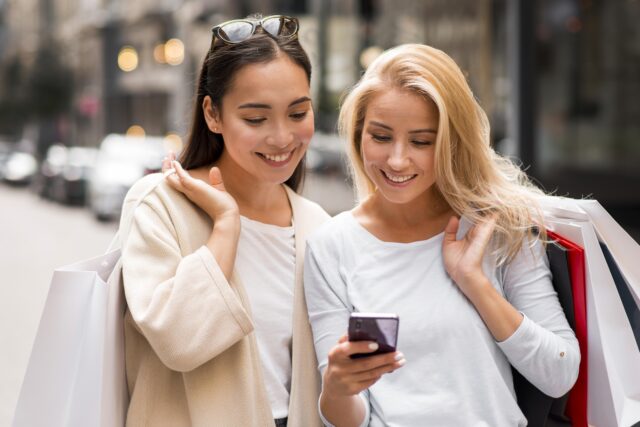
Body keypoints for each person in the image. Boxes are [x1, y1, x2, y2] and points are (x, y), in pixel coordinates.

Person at [304, 44, 580, 427]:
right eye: (381, 137)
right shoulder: (331, 246)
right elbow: (349, 419)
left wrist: (475, 283)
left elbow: (559, 372)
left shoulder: (499, 228)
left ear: (453, 141)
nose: (398, 160)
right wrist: (336, 389)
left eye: (421, 141)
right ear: (357, 134)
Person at [119, 15, 327, 427]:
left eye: (298, 113)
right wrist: (226, 225)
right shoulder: (160, 205)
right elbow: (178, 339)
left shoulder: (316, 224)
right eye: (256, 119)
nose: (282, 137)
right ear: (213, 114)